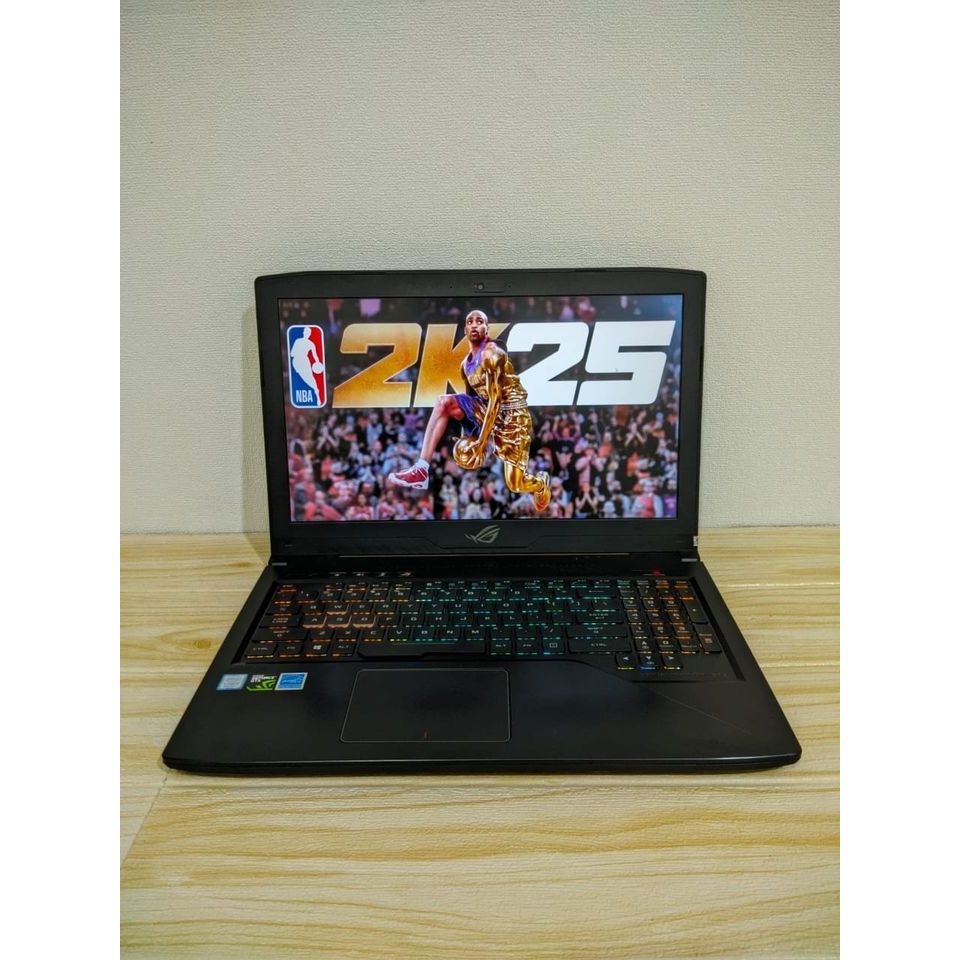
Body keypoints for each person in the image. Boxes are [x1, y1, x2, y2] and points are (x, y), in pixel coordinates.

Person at [388, 309, 550, 511]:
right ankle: (421, 469)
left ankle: (540, 483)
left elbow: (495, 401)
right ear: (465, 330)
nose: (474, 324)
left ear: (487, 329)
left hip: (512, 415)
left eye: (479, 321)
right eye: (470, 322)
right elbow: (471, 405)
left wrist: (482, 442)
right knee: (444, 403)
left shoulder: (492, 354)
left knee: (516, 484)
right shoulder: (465, 365)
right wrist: (470, 436)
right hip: (485, 409)